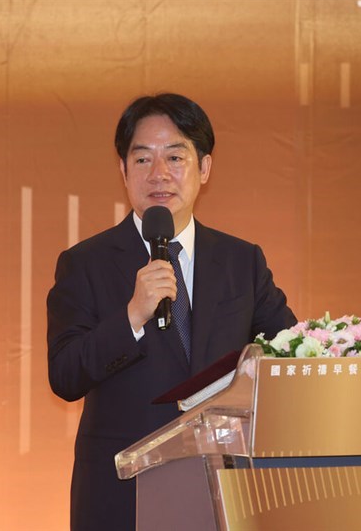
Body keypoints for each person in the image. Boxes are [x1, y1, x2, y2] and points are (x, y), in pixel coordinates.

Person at [46, 93, 296, 530]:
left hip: (226, 488)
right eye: (142, 160)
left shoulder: (242, 260)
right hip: (124, 493)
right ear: (123, 171)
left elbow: (288, 356)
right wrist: (131, 318)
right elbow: (65, 375)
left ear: (204, 168)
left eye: (175, 156)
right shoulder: (86, 262)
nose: (159, 174)